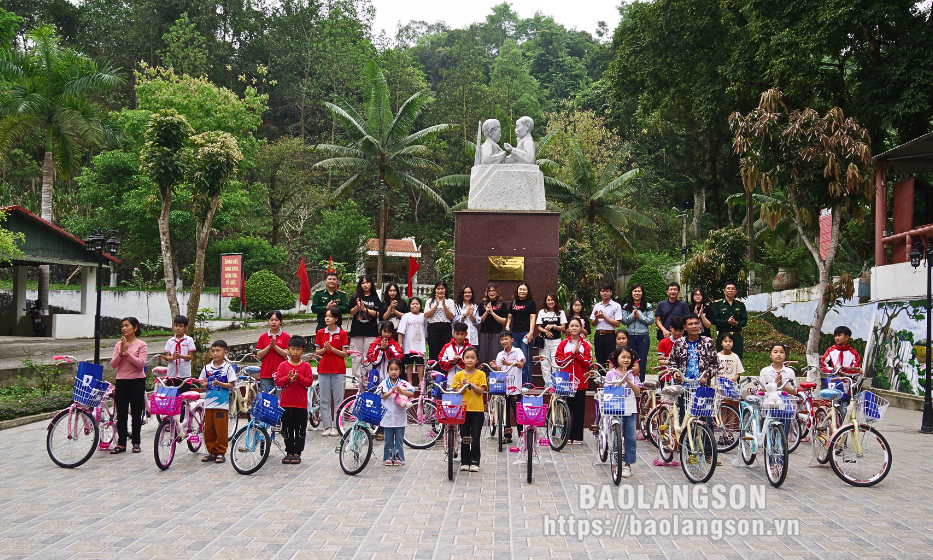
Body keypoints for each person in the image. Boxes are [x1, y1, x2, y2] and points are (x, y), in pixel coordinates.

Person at [109, 317, 148, 454]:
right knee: (121, 413)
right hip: (121, 381)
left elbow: (141, 364)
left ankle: (136, 442)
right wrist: (120, 353)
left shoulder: (141, 345)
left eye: (127, 325)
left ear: (135, 328)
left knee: (136, 413)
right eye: (122, 326)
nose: (124, 328)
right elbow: (113, 365)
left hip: (137, 381)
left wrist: (127, 353)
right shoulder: (118, 345)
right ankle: (121, 443)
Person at [603, 346, 642, 478]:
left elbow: (638, 392)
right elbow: (608, 391)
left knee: (631, 438)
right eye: (623, 357)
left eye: (629, 358)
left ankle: (628, 465)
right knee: (616, 438)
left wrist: (628, 380)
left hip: (630, 410)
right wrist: (620, 381)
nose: (626, 360)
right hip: (615, 410)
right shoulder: (610, 374)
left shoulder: (632, 374)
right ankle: (616, 461)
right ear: (616, 358)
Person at [275, 336, 314, 464]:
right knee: (287, 429)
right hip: (286, 404)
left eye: (298, 349)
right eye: (292, 349)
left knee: (300, 430)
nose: (295, 352)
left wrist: (299, 378)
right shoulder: (283, 365)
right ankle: (289, 452)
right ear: (288, 350)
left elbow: (309, 382)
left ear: (303, 350)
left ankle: (297, 452)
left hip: (301, 404)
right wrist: (288, 378)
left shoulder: (306, 366)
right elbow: (278, 382)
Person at [555, 318, 593, 445]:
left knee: (578, 410)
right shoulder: (563, 343)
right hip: (565, 382)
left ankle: (577, 436)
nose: (574, 328)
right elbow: (558, 360)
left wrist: (578, 354)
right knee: (565, 409)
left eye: (577, 326)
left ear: (581, 328)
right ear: (568, 328)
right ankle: (565, 435)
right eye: (572, 325)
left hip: (580, 383)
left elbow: (588, 362)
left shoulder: (586, 345)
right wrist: (571, 353)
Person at [198, 340, 236, 464]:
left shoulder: (228, 368)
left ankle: (221, 451)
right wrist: (204, 384)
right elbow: (203, 382)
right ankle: (212, 451)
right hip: (209, 404)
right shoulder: (206, 368)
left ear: (225, 353)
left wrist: (219, 383)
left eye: (218, 351)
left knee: (221, 428)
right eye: (213, 351)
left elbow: (231, 385)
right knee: (208, 429)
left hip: (221, 404)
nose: (215, 353)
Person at [451, 347, 487, 472]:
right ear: (463, 359)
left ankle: (475, 461)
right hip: (463, 410)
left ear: (477, 360)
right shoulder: (458, 375)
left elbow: (482, 390)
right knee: (465, 437)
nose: (470, 360)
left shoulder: (481, 374)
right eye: (467, 357)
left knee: (475, 437)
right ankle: (465, 461)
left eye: (472, 357)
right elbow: (456, 392)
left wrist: (470, 385)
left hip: (477, 410)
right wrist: (462, 386)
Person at [315, 308, 350, 437]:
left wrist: (332, 348)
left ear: (336, 318)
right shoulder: (320, 332)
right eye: (326, 316)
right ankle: (327, 426)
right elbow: (317, 352)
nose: (327, 318)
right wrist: (325, 349)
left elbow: (344, 354)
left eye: (330, 316)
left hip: (338, 369)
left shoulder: (342, 333)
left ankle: (337, 425)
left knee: (338, 399)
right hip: (323, 369)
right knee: (324, 399)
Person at [378, 359, 413, 466]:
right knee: (388, 439)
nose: (394, 372)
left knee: (399, 439)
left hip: (400, 416)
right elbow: (382, 396)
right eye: (391, 369)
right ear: (387, 370)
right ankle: (388, 457)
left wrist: (401, 391)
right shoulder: (384, 383)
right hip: (387, 416)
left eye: (396, 369)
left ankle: (398, 458)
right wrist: (391, 392)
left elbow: (411, 393)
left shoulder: (404, 383)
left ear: (400, 371)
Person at [348, 274, 381, 382]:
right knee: (356, 355)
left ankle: (367, 378)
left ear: (371, 283)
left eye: (367, 282)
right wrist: (358, 307)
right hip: (357, 330)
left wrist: (364, 309)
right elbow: (351, 312)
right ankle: (356, 378)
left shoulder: (375, 298)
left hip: (370, 331)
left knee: (368, 354)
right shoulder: (355, 297)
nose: (365, 285)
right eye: (363, 283)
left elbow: (378, 314)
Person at [493, 330, 524, 443]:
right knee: (504, 414)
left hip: (515, 388)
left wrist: (508, 364)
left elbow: (521, 364)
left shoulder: (517, 351)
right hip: (503, 387)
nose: (504, 341)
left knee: (517, 413)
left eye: (506, 339)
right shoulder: (500, 354)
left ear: (512, 340)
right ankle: (508, 436)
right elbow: (499, 369)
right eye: (501, 339)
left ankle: (522, 435)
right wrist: (495, 366)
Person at [759, 343, 797, 435]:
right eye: (775, 352)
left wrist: (781, 385)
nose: (778, 354)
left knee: (784, 427)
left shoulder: (790, 372)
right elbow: (761, 389)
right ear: (770, 355)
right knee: (769, 427)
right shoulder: (765, 371)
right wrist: (773, 386)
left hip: (784, 403)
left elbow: (794, 391)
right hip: (769, 402)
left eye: (781, 352)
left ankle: (784, 443)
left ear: (785, 355)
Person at [620, 283, 654, 382]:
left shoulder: (647, 306)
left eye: (639, 291)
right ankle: (630, 383)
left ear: (642, 293)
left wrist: (640, 316)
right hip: (630, 336)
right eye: (635, 291)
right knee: (629, 361)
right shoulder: (626, 306)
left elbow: (650, 320)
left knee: (641, 362)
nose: (637, 293)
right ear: (631, 293)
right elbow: (624, 320)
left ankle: (640, 383)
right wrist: (632, 316)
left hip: (643, 336)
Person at [505, 282, 537, 385]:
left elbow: (532, 318)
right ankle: (516, 383)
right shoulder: (514, 302)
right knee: (515, 358)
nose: (522, 291)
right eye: (520, 289)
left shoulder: (531, 303)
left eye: (524, 289)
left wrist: (531, 332)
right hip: (514, 334)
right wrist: (507, 328)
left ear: (528, 291)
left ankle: (526, 383)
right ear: (517, 291)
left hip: (525, 334)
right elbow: (510, 317)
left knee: (525, 360)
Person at [536, 292, 567, 384]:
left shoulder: (561, 313)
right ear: (545, 301)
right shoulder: (542, 312)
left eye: (552, 300)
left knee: (555, 363)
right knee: (545, 363)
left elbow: (563, 328)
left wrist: (553, 326)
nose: (550, 302)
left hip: (556, 342)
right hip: (544, 341)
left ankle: (556, 384)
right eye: (548, 300)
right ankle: (548, 384)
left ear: (555, 301)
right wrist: (545, 331)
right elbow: (538, 327)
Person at [711, 281, 748, 358]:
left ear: (736, 291)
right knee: (721, 359)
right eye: (728, 288)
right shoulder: (718, 304)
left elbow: (744, 321)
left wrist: (737, 323)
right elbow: (714, 320)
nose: (730, 290)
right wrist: (727, 322)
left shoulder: (740, 305)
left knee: (737, 358)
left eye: (732, 289)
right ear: (724, 290)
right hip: (722, 335)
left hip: (736, 336)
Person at [256, 311, 290, 393]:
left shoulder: (286, 337)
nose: (274, 322)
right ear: (268, 321)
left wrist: (275, 346)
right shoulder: (263, 337)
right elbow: (259, 354)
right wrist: (269, 346)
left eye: (276, 320)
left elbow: (286, 354)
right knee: (266, 400)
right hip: (266, 373)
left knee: (279, 400)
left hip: (281, 374)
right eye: (271, 320)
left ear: (280, 321)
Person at [162, 315, 197, 393]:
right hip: (172, 374)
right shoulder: (170, 341)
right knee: (172, 396)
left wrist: (180, 356)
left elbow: (190, 356)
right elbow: (168, 358)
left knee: (184, 395)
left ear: (185, 328)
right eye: (176, 325)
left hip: (184, 374)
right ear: (173, 326)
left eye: (181, 326)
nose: (178, 328)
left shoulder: (189, 340)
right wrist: (172, 358)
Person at [424, 281, 457, 361]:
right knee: (434, 352)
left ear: (445, 289)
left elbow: (451, 317)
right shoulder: (430, 301)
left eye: (442, 288)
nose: (440, 291)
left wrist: (444, 305)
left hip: (446, 329)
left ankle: (444, 372)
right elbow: (427, 315)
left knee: (445, 352)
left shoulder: (450, 301)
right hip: (433, 329)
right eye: (438, 289)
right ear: (435, 290)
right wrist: (436, 304)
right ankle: (434, 372)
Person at [398, 297, 426, 385]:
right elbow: (401, 330)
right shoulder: (406, 316)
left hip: (420, 346)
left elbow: (425, 330)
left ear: (420, 306)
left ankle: (420, 381)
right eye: (413, 304)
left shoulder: (424, 316)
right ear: (409, 306)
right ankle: (409, 381)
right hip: (409, 345)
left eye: (417, 304)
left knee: (420, 364)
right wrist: (400, 342)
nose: (415, 305)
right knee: (409, 364)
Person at [477, 283, 507, 366]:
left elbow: (504, 321)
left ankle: (494, 377)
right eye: (489, 291)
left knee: (495, 356)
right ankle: (483, 377)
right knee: (483, 356)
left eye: (494, 290)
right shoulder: (482, 305)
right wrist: (486, 312)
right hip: (484, 333)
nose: (491, 293)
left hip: (497, 333)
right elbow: (480, 321)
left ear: (497, 292)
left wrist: (492, 313)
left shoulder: (502, 304)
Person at [657, 316, 686, 388]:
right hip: (666, 376)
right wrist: (678, 361)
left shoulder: (686, 342)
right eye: (675, 330)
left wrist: (668, 359)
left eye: (680, 331)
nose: (677, 333)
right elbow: (661, 361)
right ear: (670, 328)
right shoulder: (663, 342)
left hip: (682, 375)